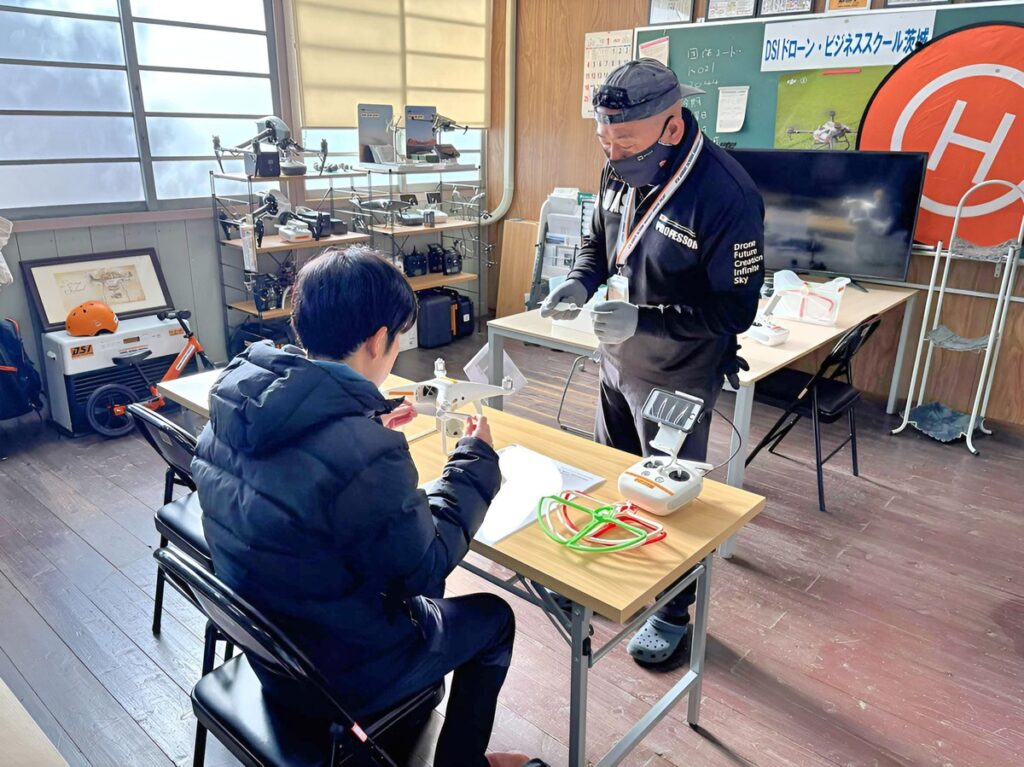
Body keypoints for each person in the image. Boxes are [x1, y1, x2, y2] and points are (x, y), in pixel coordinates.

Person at [192, 246, 545, 767]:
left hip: (272, 648)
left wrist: (365, 424)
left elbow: (297, 480)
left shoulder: (234, 404)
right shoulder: (362, 454)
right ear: (380, 339)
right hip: (338, 670)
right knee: (494, 618)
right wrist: (475, 461)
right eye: (400, 336)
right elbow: (423, 572)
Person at [541, 59, 765, 672]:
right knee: (612, 474)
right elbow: (599, 244)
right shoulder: (618, 164)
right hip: (617, 359)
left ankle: (673, 611)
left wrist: (649, 320)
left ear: (671, 126)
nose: (613, 152)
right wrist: (579, 284)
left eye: (626, 140)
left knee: (670, 495)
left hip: (679, 373)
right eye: (604, 139)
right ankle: (612, 578)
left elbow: (736, 310)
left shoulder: (726, 194)